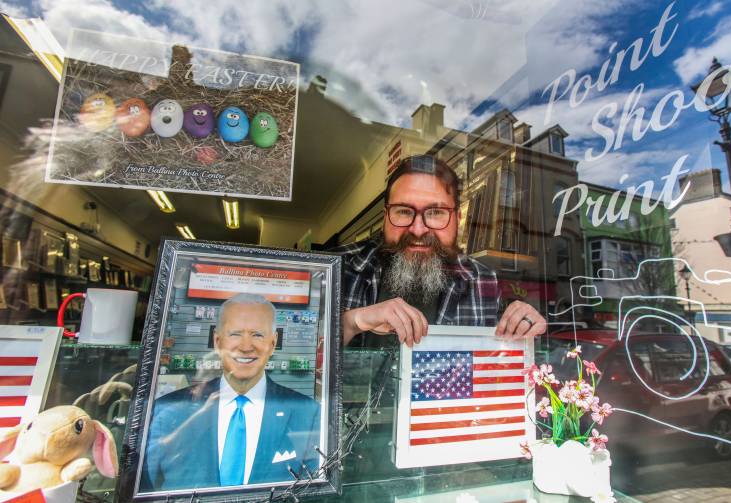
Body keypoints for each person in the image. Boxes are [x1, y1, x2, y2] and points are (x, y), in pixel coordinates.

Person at [337, 155, 547, 347]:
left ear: (457, 219)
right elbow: (306, 360)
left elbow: (502, 357)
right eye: (403, 211)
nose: (418, 230)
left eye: (436, 212)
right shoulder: (339, 268)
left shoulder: (482, 280)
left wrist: (524, 324)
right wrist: (352, 322)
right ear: (385, 216)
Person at [141, 293, 320, 492]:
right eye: (235, 334)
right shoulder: (168, 410)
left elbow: (313, 492)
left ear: (273, 343)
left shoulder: (307, 413)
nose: (245, 347)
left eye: (258, 335)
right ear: (217, 342)